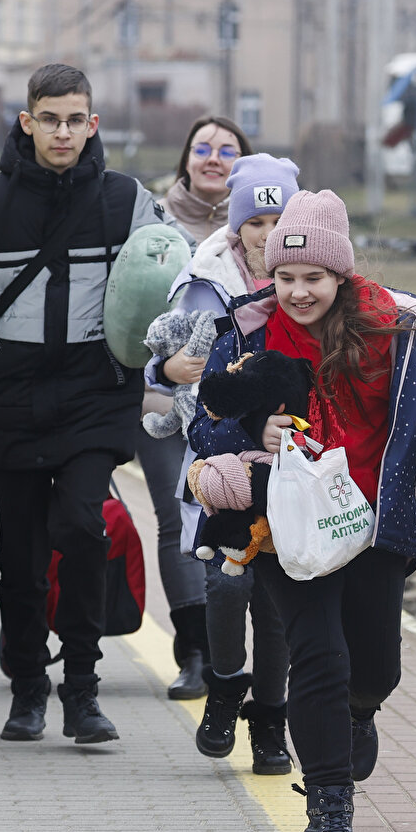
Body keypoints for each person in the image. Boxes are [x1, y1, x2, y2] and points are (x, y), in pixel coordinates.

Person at [188, 188, 416, 832]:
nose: (298, 292)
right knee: (319, 657)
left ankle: (361, 711)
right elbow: (203, 420)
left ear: (341, 275)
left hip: (373, 523)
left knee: (375, 665)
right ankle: (329, 807)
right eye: (286, 277)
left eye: (314, 278)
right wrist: (251, 428)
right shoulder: (247, 334)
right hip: (285, 526)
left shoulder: (394, 330)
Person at [0, 63, 183, 745]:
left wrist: (166, 357)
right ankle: (26, 686)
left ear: (92, 124)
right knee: (24, 552)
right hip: (9, 394)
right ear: (27, 122)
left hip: (95, 393)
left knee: (82, 527)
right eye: (50, 119)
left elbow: (173, 286)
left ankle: (82, 687)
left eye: (75, 120)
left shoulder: (127, 201)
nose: (62, 132)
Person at [147, 154, 300, 774]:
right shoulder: (207, 284)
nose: (266, 233)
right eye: (255, 221)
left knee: (276, 604)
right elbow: (164, 357)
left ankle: (268, 720)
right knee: (224, 583)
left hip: (289, 473)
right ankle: (224, 684)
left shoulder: (307, 285)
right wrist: (164, 371)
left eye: (278, 218)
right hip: (219, 467)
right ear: (237, 228)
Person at [133, 116, 250, 701]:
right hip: (164, 401)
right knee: (176, 518)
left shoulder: (262, 233)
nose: (213, 157)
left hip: (238, 412)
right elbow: (128, 316)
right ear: (185, 158)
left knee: (238, 523)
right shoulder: (150, 223)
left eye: (227, 150)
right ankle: (195, 653)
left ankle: (239, 652)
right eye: (202, 148)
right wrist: (160, 367)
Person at [160, 115, 253, 243]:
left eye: (227, 153)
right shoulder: (154, 217)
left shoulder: (257, 223)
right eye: (202, 150)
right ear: (187, 160)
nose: (213, 159)